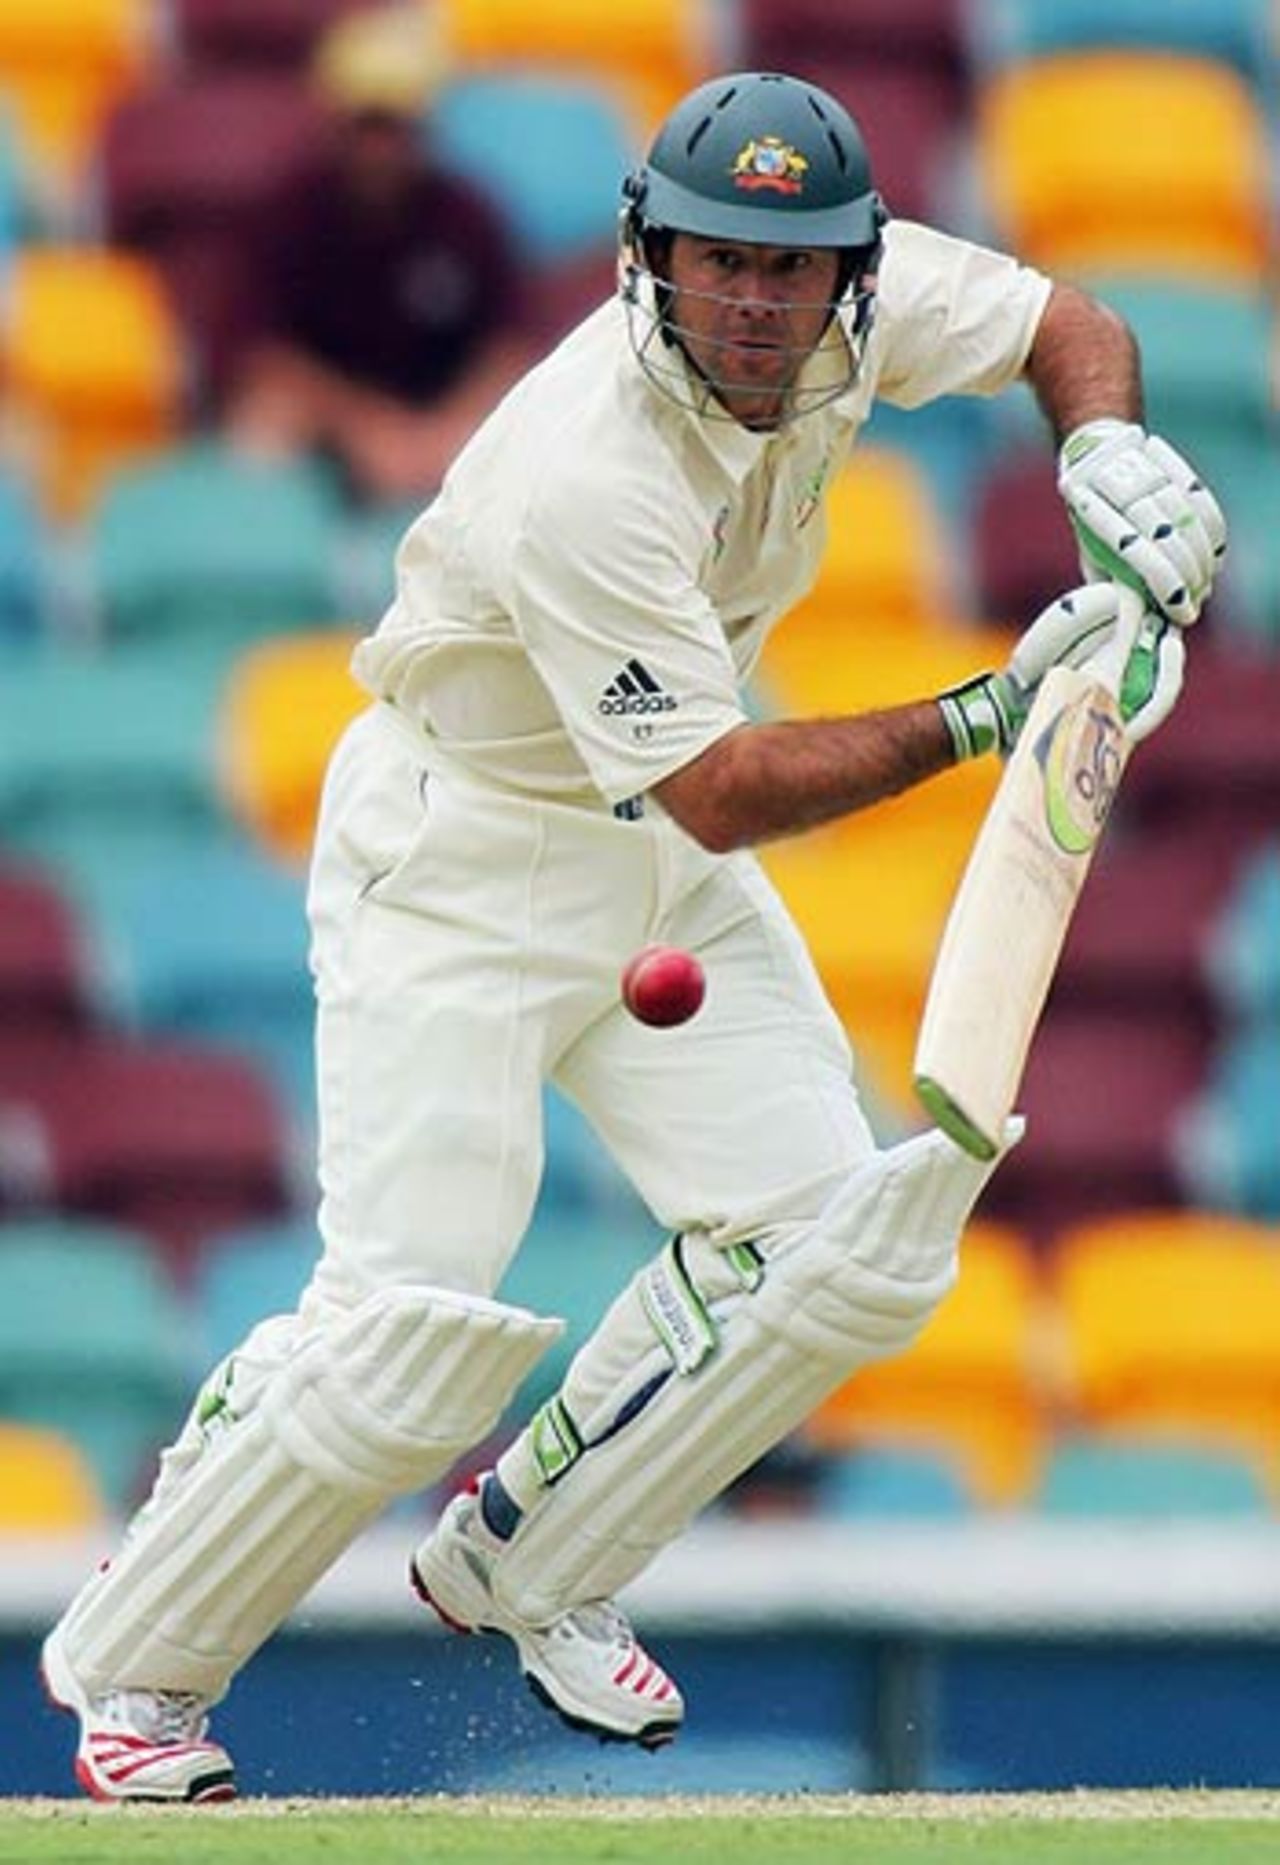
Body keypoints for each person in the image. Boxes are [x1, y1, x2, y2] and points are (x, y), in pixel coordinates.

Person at [42, 70, 1224, 1801]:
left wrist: (1109, 447)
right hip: (461, 856)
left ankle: (538, 1561)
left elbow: (1071, 319)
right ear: (649, 257)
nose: (754, 303)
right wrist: (990, 714)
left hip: (644, 860)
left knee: (844, 1242)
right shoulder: (582, 465)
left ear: (850, 276)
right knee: (407, 1335)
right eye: (717, 260)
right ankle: (134, 1672)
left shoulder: (852, 317)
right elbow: (728, 788)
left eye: (790, 269)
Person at [224, 3, 534, 502]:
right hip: (330, 418)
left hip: (441, 422)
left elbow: (508, 349)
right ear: (337, 124)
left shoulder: (468, 215)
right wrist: (364, 427)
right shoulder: (289, 213)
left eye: (396, 127)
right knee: (263, 428)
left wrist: (439, 431)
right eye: (367, 125)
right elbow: (266, 359)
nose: (380, 147)